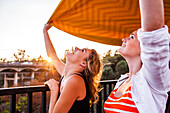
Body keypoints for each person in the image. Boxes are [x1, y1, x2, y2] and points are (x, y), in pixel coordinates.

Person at [104, 0, 170, 113]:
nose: (124, 39)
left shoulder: (152, 79)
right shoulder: (122, 80)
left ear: (144, 47)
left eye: (132, 37)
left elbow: (153, 35)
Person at [43, 23, 102, 113]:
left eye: (82, 50)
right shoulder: (68, 75)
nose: (76, 48)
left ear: (83, 63)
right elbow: (52, 56)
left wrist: (54, 91)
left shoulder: (75, 80)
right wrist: (45, 31)